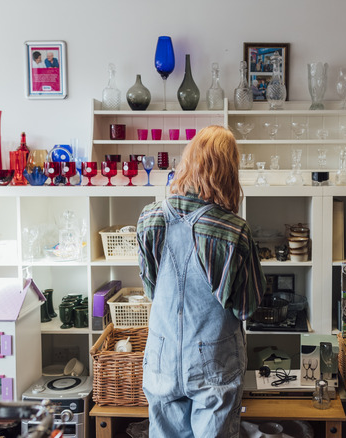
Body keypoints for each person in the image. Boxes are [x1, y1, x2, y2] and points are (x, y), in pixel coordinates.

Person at [137, 125, 265, 437]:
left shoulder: (149, 218)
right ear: (228, 171)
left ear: (188, 161)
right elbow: (247, 308)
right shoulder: (235, 231)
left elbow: (151, 289)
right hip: (214, 360)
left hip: (161, 355)